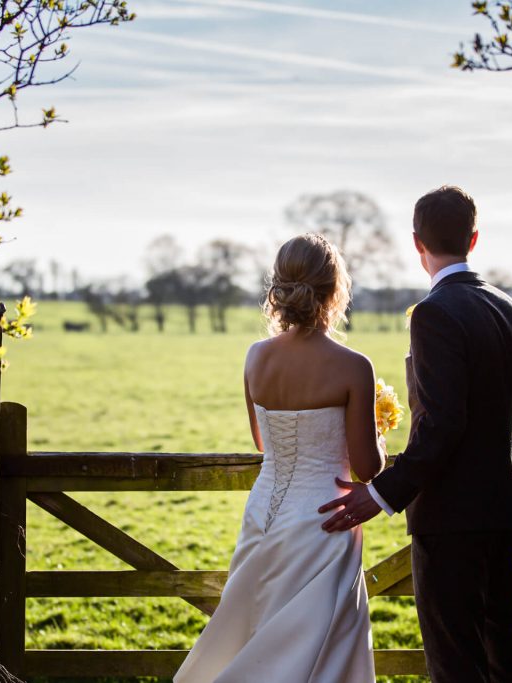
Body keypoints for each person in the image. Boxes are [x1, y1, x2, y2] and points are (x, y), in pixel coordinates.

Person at [319, 186, 512, 682]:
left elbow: (441, 424)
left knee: (455, 660)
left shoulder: (434, 313)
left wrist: (381, 493)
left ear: (417, 244)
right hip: (505, 508)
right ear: (473, 239)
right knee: (505, 653)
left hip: (449, 516)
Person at [175, 233, 383, 683]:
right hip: (324, 520)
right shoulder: (353, 367)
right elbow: (368, 468)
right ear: (334, 290)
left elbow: (263, 444)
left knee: (255, 632)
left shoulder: (256, 357)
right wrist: (378, 432)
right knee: (318, 646)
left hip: (263, 512)